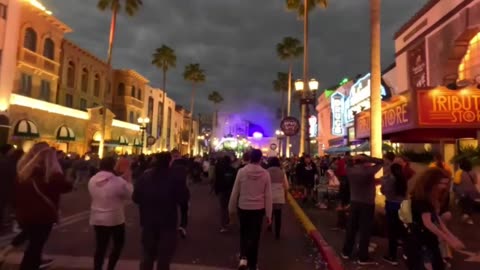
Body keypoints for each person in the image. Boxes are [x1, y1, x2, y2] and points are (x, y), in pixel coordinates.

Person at [14, 142, 72, 270]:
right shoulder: (51, 175)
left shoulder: (24, 172)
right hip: (43, 216)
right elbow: (67, 186)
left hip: (24, 215)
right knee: (36, 247)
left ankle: (18, 249)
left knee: (33, 246)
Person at [133, 152, 189, 270]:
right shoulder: (175, 177)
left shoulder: (145, 177)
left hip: (148, 220)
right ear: (170, 162)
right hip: (167, 221)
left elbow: (136, 197)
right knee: (164, 258)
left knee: (147, 255)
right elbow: (183, 198)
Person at [406, 168, 465, 270]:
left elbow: (437, 220)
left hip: (429, 241)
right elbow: (428, 223)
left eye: (446, 183)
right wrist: (450, 240)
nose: (444, 187)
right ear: (430, 182)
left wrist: (452, 238)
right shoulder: (420, 200)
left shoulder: (430, 197)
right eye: (441, 183)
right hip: (420, 242)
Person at [229, 149, 272, 270]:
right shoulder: (265, 174)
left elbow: (235, 191)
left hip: (243, 207)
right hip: (258, 209)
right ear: (260, 159)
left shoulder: (241, 172)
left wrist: (231, 209)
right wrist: (269, 214)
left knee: (244, 233)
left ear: (250, 158)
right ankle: (253, 263)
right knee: (255, 236)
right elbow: (268, 195)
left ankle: (243, 258)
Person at [88, 157, 133, 270]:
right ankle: (110, 267)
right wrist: (128, 181)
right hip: (115, 218)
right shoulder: (118, 181)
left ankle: (97, 267)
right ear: (113, 166)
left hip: (97, 217)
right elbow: (130, 194)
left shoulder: (93, 179)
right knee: (118, 245)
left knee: (100, 246)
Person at [341, 154, 383, 266]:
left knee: (351, 228)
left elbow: (348, 161)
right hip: (367, 204)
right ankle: (362, 257)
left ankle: (346, 251)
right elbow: (381, 162)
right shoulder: (368, 171)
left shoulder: (350, 170)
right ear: (365, 162)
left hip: (354, 202)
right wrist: (368, 158)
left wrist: (355, 159)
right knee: (365, 231)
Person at [381, 163, 407, 265]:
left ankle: (392, 256)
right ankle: (407, 253)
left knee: (392, 232)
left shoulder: (390, 180)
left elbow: (384, 191)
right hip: (405, 205)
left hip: (392, 205)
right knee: (405, 231)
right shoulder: (403, 179)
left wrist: (384, 180)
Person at [266, 157, 289, 239]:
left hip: (269, 196)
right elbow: (286, 186)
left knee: (270, 212)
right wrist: (285, 195)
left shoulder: (267, 172)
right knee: (278, 215)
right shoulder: (282, 172)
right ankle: (277, 233)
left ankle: (269, 225)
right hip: (279, 196)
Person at [214, 156, 237, 233]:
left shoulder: (219, 169)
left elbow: (217, 180)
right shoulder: (233, 170)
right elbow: (235, 182)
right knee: (230, 207)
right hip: (230, 191)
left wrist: (216, 190)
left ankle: (224, 225)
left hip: (222, 191)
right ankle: (229, 222)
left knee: (223, 208)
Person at [453, 159, 480, 225]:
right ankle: (466, 215)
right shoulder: (473, 173)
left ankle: (466, 215)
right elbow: (475, 182)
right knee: (469, 202)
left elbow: (455, 184)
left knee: (466, 202)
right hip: (472, 193)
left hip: (461, 193)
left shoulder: (458, 173)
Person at [171, 149, 190, 238]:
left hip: (172, 191)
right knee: (184, 210)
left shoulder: (171, 165)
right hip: (183, 191)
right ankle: (182, 226)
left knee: (172, 210)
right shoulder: (184, 164)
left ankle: (173, 226)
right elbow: (187, 180)